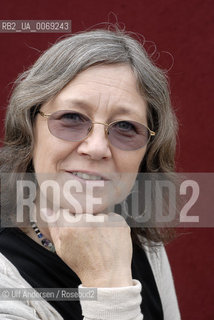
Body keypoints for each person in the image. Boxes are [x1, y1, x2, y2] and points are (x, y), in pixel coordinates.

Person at [0, 27, 181, 319]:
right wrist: (108, 286)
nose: (96, 148)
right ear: (29, 127)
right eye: (71, 118)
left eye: (126, 127)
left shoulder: (141, 238)